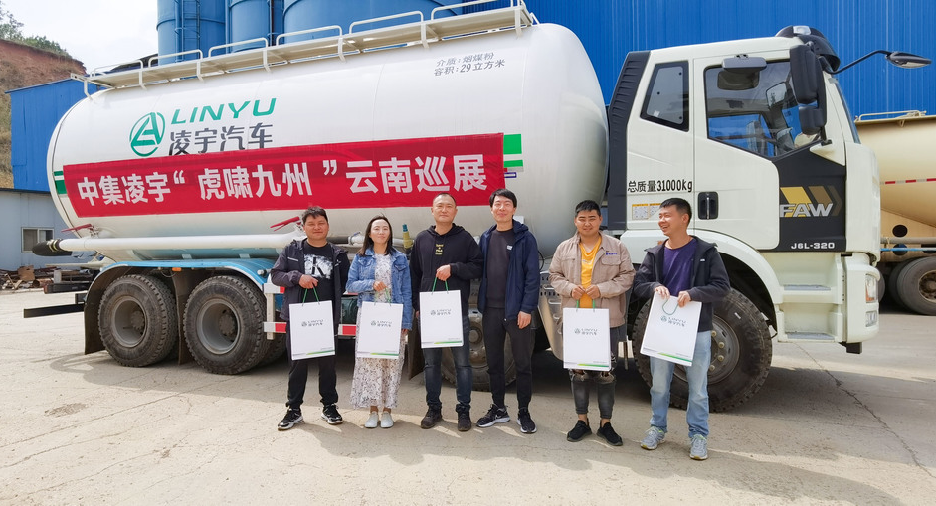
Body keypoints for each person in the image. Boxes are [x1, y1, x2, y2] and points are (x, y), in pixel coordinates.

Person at [633, 197, 729, 460]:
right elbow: (639, 284)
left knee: (697, 388)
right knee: (659, 385)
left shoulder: (706, 252)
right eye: (660, 216)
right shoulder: (655, 254)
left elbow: (722, 287)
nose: (661, 221)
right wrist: (654, 287)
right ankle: (657, 428)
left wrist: (694, 293)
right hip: (663, 330)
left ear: (684, 218)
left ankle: (698, 435)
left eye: (667, 215)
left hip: (696, 330)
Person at [548, 200, 635, 446]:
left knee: (606, 373)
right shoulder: (564, 248)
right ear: (575, 221)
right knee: (579, 372)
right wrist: (569, 288)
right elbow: (554, 275)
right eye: (582, 219)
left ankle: (606, 424)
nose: (587, 223)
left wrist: (603, 289)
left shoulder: (616, 247)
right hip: (576, 320)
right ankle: (582, 421)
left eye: (592, 218)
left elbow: (628, 276)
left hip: (607, 321)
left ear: (600, 220)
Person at [272, 206, 351, 430]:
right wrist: (297, 277)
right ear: (304, 227)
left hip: (326, 317)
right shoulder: (292, 250)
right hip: (299, 317)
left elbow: (347, 281)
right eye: (311, 224)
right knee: (297, 364)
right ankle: (294, 409)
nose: (317, 227)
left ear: (327, 226)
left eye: (321, 223)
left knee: (328, 365)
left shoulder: (338, 254)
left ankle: (329, 406)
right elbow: (276, 275)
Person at [410, 193, 483, 431]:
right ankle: (434, 409)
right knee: (431, 364)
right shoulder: (422, 239)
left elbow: (478, 267)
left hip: (455, 312)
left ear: (455, 211)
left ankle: (463, 411)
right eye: (439, 206)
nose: (444, 210)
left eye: (448, 206)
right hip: (429, 312)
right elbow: (414, 275)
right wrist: (417, 306)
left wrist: (454, 268)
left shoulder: (464, 238)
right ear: (432, 210)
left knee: (462, 364)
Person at [476, 188, 540, 434]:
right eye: (497, 204)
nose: (501, 208)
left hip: (516, 312)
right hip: (491, 310)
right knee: (494, 363)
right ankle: (499, 408)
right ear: (491, 209)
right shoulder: (486, 237)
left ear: (514, 209)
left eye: (506, 204)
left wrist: (526, 308)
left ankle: (524, 412)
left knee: (522, 364)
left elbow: (532, 276)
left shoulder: (525, 238)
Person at [346, 216, 413, 428]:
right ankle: (373, 411)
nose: (381, 232)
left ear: (389, 233)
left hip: (393, 315)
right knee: (370, 363)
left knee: (392, 363)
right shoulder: (361, 258)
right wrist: (370, 283)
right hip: (369, 316)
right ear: (369, 233)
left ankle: (388, 411)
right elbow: (350, 285)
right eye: (377, 228)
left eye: (385, 228)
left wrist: (406, 320)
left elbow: (407, 291)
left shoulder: (400, 258)